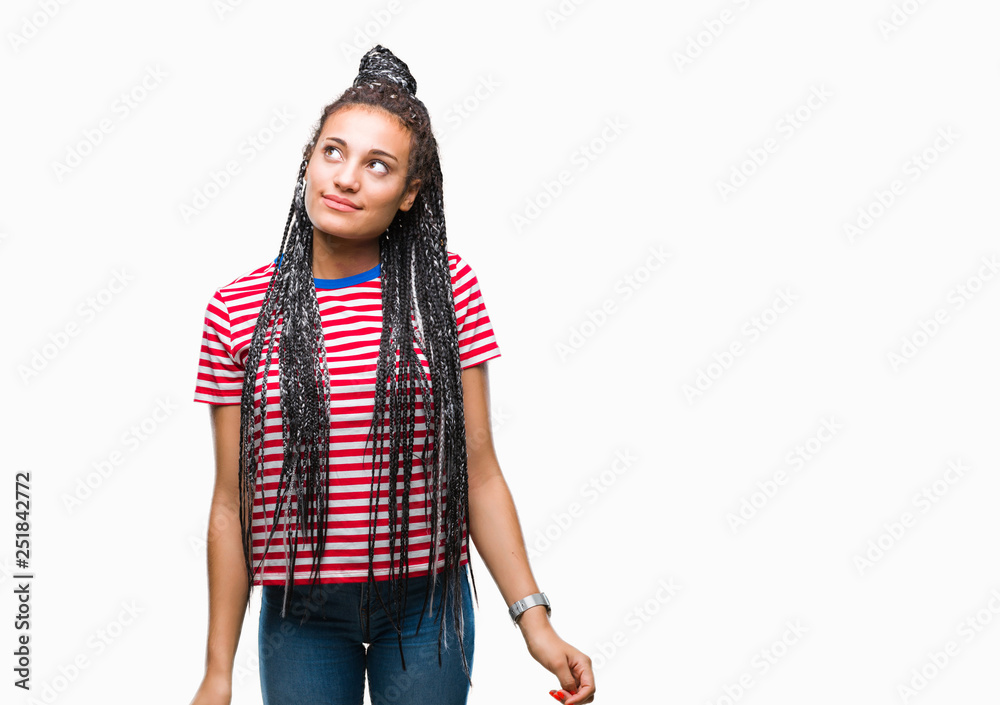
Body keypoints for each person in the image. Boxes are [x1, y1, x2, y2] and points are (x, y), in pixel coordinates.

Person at [188, 45, 596, 705]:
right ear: (307, 162)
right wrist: (216, 670)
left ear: (408, 194)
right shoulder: (236, 310)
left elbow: (481, 469)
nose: (347, 177)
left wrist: (536, 620)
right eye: (333, 152)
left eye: (378, 166)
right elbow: (230, 504)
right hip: (301, 613)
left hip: (427, 608)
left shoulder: (446, 290)